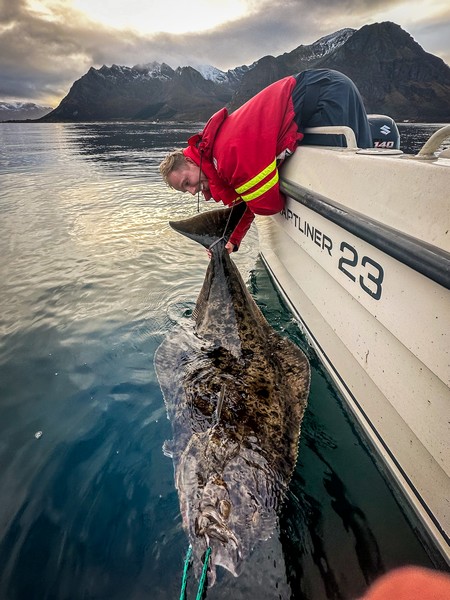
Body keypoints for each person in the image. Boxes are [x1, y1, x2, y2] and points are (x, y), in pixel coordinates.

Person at [160, 69, 372, 253]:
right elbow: (250, 198)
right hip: (317, 97)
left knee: (356, 176)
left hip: (325, 94)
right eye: (185, 190)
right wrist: (231, 240)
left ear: (190, 161)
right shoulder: (216, 158)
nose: (192, 191)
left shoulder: (225, 156)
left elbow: (268, 205)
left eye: (186, 182)